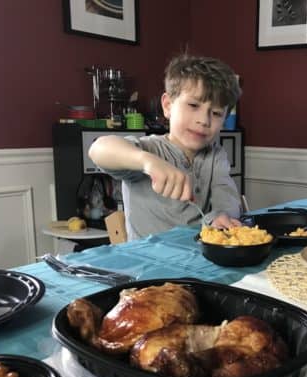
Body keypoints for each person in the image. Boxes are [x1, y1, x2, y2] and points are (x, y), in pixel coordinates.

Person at [88, 54, 242, 241]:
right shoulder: (149, 149)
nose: (204, 120)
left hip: (201, 263)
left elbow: (226, 195)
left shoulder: (216, 154)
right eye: (193, 105)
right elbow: (98, 149)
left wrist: (222, 215)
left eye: (216, 113)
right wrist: (147, 161)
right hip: (148, 265)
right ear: (168, 106)